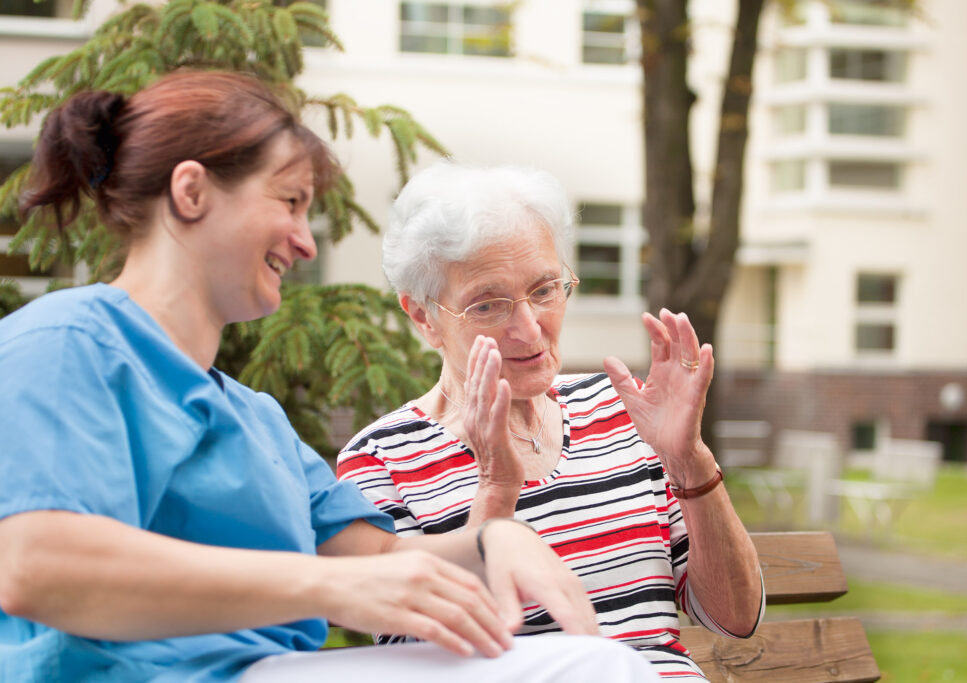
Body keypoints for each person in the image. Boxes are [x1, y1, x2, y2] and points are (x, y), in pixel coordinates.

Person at [0, 71, 661, 682]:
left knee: (600, 665)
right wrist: (324, 586)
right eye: (289, 201)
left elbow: (376, 562)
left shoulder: (255, 420)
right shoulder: (68, 341)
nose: (306, 241)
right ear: (191, 191)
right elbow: (38, 565)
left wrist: (495, 535)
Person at [336, 161, 766, 679]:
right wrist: (495, 489)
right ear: (423, 316)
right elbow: (425, 661)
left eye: (544, 290)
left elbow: (736, 618)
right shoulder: (382, 460)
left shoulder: (620, 410)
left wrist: (688, 458)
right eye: (489, 305)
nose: (529, 327)